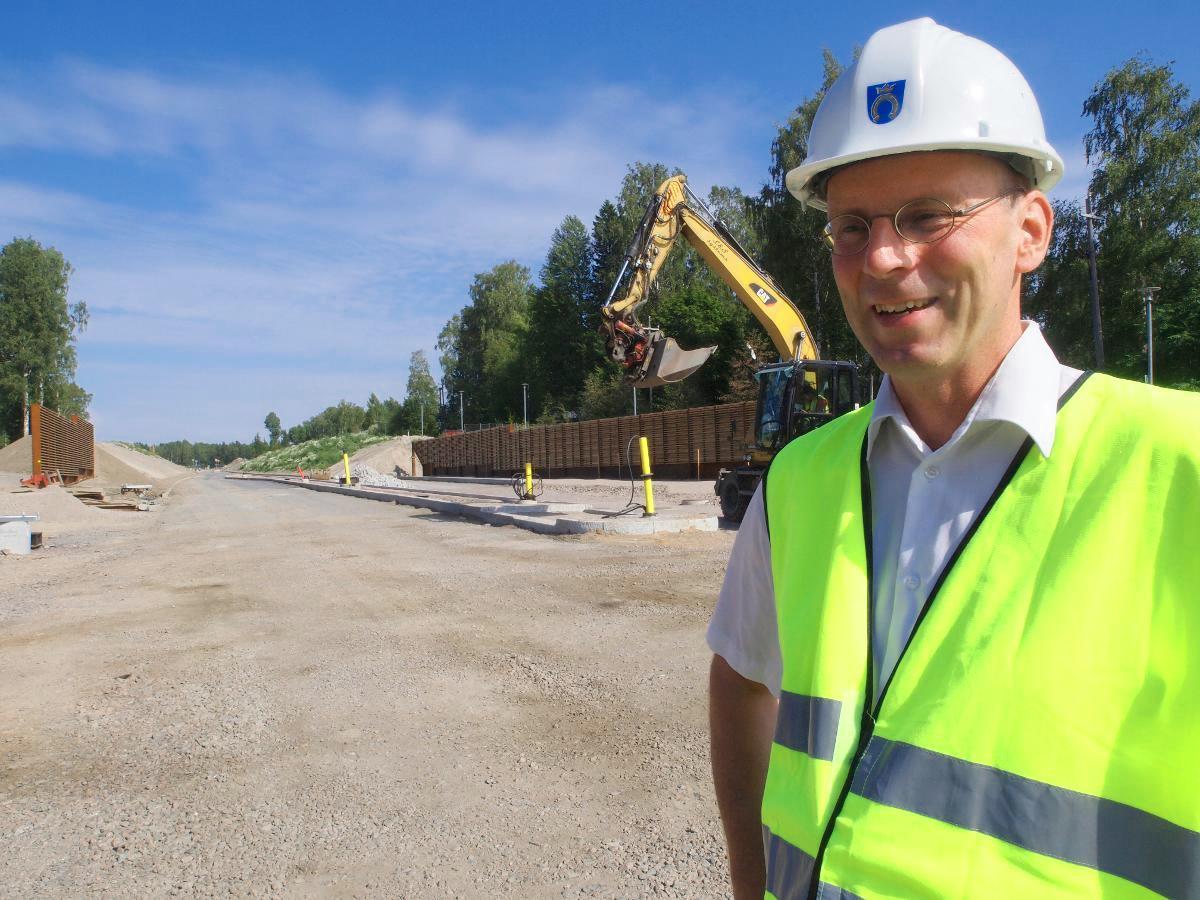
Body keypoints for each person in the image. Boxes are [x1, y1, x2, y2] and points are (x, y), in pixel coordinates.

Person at [706, 18, 1200, 900]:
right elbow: (743, 680)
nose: (884, 259)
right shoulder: (802, 480)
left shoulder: (1179, 468)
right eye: (851, 227)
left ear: (1032, 231)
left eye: (929, 215)